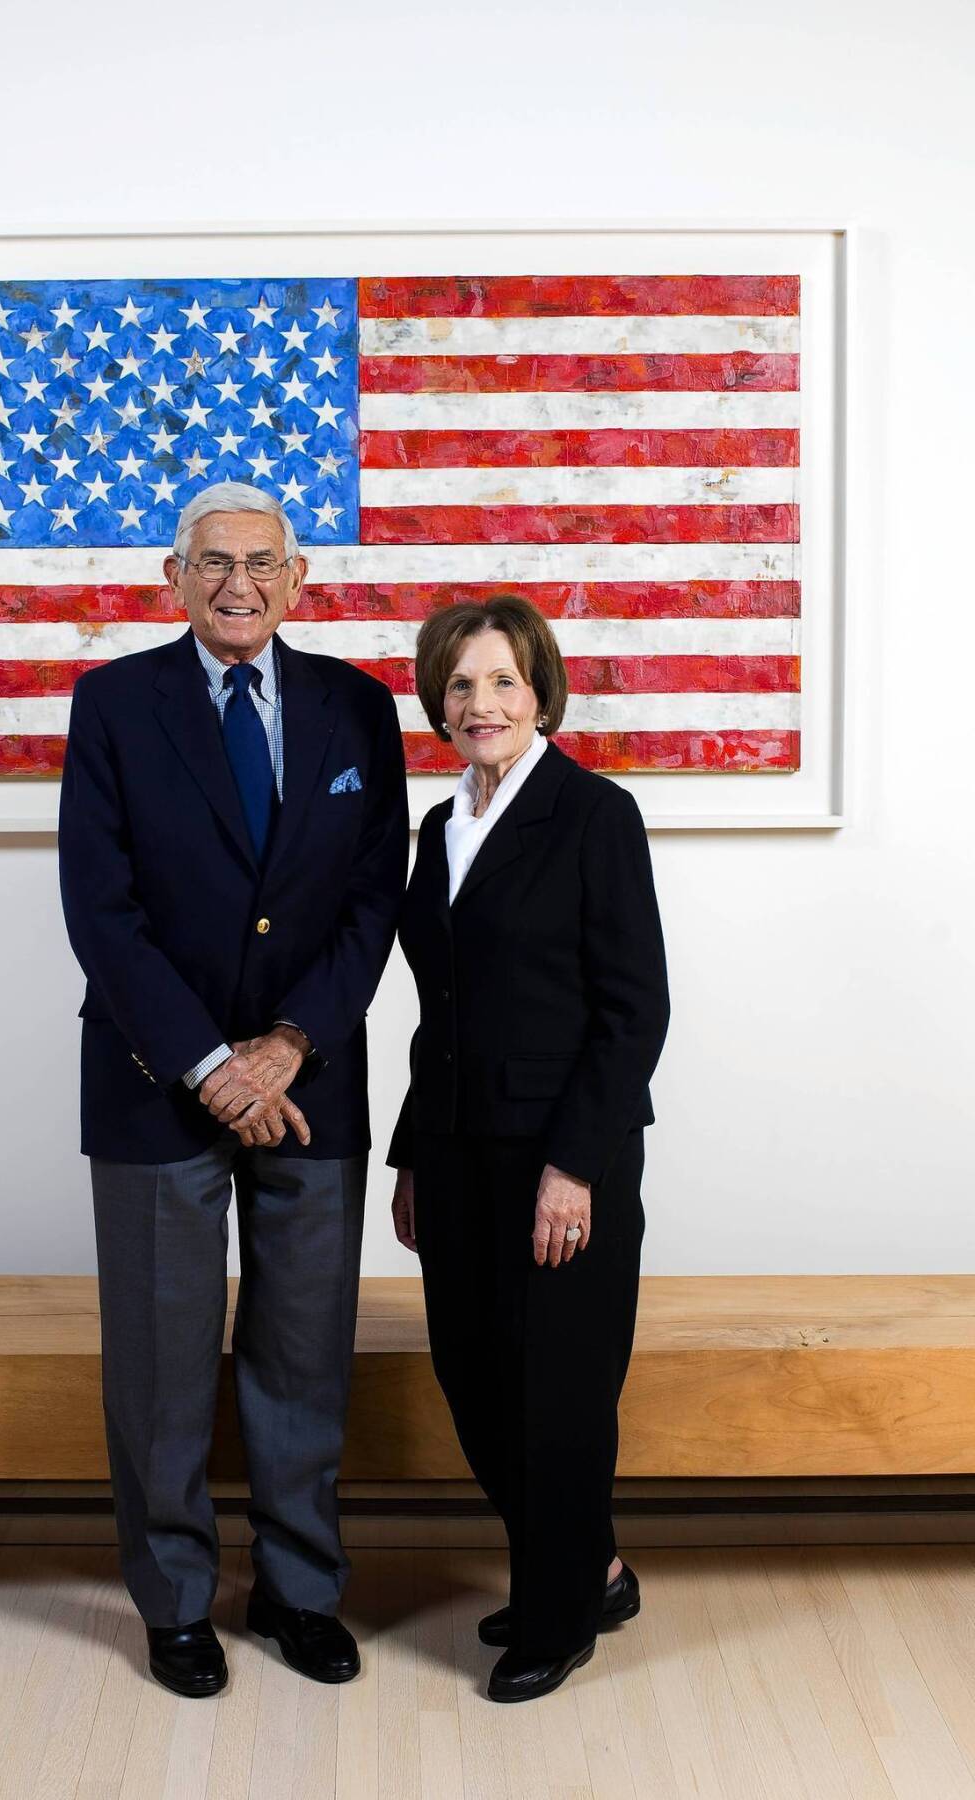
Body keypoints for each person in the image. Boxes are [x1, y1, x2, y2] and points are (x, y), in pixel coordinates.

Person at [58, 482, 408, 1699]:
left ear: (299, 577)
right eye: (214, 563)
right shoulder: (111, 705)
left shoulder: (361, 710)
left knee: (302, 1351)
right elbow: (101, 912)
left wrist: (290, 1045)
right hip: (158, 1085)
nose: (238, 586)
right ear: (174, 574)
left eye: (263, 563)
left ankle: (302, 1593)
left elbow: (377, 900)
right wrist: (213, 1064)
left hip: (313, 1084)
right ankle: (174, 1604)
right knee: (160, 1361)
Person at [387, 594, 670, 1704]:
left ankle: (558, 1615)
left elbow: (633, 1009)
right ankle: (590, 1569)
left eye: (502, 680)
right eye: (460, 684)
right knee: (473, 1376)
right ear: (437, 704)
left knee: (558, 1389)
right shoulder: (438, 826)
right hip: (456, 1153)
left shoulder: (596, 814)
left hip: (563, 1154)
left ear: (540, 690)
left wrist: (578, 1165)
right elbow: (438, 1009)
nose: (481, 702)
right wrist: (414, 1154)